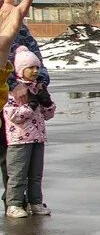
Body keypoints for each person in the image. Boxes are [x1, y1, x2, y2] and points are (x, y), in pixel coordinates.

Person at [4, 47, 55, 218]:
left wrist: (46, 102)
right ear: (20, 70)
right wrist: (29, 106)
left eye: (37, 68)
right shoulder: (14, 91)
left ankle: (36, 202)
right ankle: (14, 204)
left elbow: (48, 115)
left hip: (37, 138)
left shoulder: (37, 88)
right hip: (19, 140)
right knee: (18, 174)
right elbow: (12, 115)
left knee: (36, 175)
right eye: (30, 68)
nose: (34, 71)